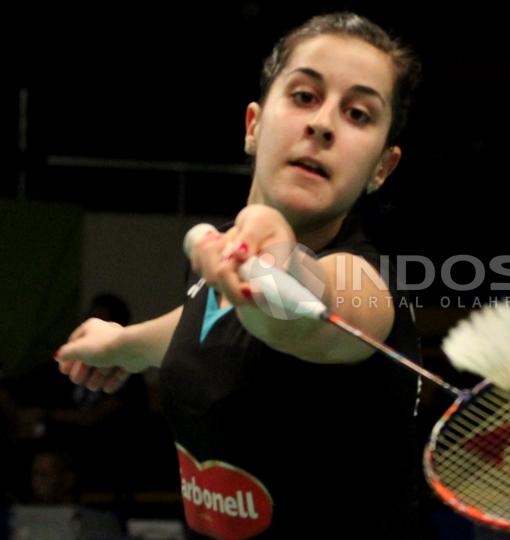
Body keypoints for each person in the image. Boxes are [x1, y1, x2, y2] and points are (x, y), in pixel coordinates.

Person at [53, 12, 423, 539]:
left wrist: (277, 255)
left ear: (381, 169)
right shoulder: (223, 253)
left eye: (358, 114)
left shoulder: (368, 284)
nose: (322, 124)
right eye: (303, 96)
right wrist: (125, 345)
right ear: (253, 126)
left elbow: (296, 317)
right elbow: (211, 327)